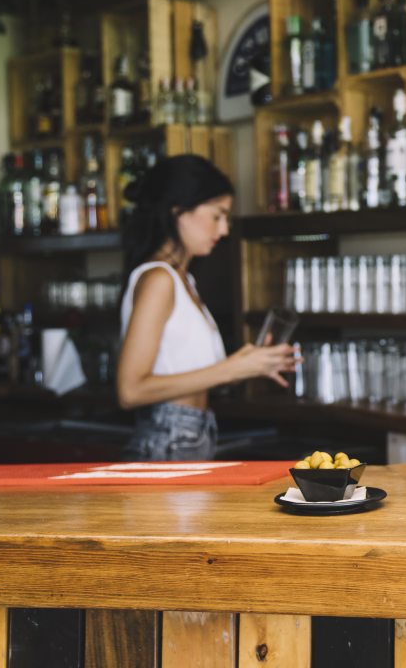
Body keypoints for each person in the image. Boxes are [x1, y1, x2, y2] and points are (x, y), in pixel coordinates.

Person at [116, 155, 295, 460]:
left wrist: (250, 363)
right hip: (167, 437)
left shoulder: (183, 280)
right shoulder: (159, 279)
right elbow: (130, 391)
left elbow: (192, 373)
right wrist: (231, 369)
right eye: (217, 215)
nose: (224, 230)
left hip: (192, 434)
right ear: (179, 212)